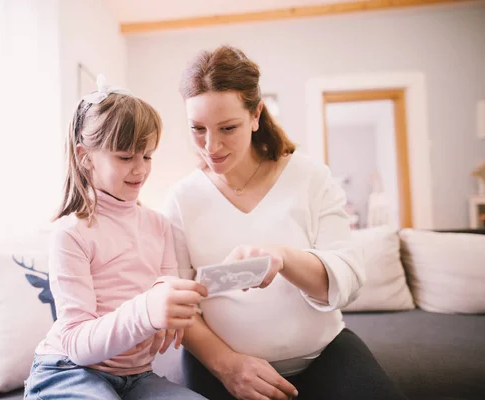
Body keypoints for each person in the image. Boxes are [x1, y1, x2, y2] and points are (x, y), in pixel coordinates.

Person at [164, 46, 408, 400]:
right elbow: (177, 306)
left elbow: (349, 280)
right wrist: (228, 366)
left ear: (256, 115)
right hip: (220, 365)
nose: (211, 146)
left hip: (323, 354)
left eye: (227, 127)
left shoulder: (309, 176)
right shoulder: (181, 199)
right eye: (197, 129)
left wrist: (282, 257)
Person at [24, 76, 209, 400]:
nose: (140, 169)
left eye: (147, 156)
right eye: (125, 157)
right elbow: (77, 344)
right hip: (68, 370)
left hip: (136, 376)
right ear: (86, 156)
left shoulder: (159, 225)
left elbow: (165, 297)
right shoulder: (72, 233)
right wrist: (146, 311)